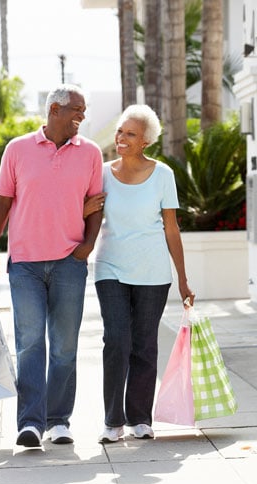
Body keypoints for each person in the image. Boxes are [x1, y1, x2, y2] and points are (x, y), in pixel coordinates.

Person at [0, 84, 104, 448]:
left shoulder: (91, 153)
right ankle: (30, 423)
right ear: (54, 109)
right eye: (76, 110)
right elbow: (1, 202)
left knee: (64, 346)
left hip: (70, 263)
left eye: (84, 110)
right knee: (30, 344)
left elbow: (96, 204)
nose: (82, 116)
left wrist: (87, 246)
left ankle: (59, 421)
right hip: (26, 265)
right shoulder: (18, 149)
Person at [90, 104, 195, 444]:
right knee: (117, 340)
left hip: (153, 271)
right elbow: (83, 212)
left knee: (145, 345)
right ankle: (112, 420)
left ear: (146, 141)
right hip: (110, 267)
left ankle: (139, 418)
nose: (121, 137)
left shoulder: (163, 175)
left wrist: (182, 278)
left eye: (130, 133)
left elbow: (171, 228)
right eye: (121, 131)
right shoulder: (102, 172)